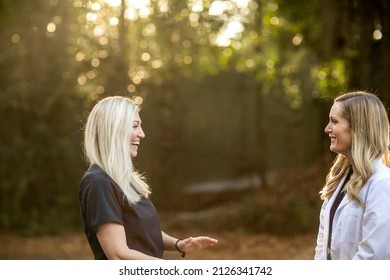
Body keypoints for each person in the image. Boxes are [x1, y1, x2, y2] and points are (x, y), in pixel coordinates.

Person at [79, 95, 218, 260]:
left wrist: (179, 244)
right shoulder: (98, 182)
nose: (142, 134)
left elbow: (140, 229)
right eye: (135, 126)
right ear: (114, 129)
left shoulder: (123, 180)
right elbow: (118, 254)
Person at [315, 91, 390, 260]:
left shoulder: (382, 184)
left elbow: (373, 256)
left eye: (334, 121)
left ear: (358, 127)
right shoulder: (338, 181)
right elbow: (323, 244)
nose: (327, 128)